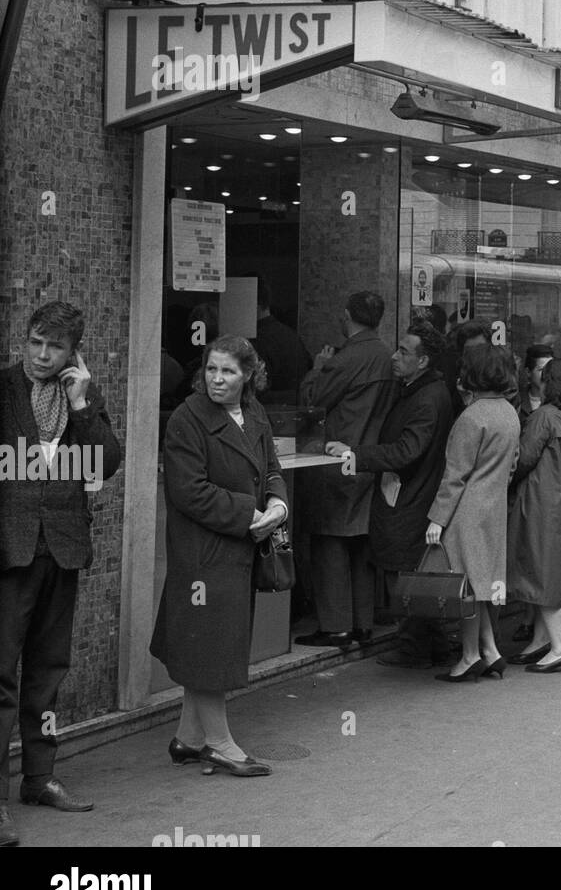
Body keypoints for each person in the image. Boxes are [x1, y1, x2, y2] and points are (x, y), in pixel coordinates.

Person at [0, 302, 122, 843]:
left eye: (55, 347)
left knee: (48, 671)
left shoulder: (83, 398)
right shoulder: (3, 390)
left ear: (73, 352)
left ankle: (40, 778)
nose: (42, 355)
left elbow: (105, 463)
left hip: (63, 549)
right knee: (1, 676)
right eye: (35, 342)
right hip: (8, 552)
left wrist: (80, 407)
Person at [152, 335, 287, 777]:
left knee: (212, 643)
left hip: (236, 547)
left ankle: (188, 738)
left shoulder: (255, 413)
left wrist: (279, 505)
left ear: (248, 374)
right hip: (203, 554)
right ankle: (220, 744)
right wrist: (251, 512)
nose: (217, 379)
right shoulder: (187, 419)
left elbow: (271, 469)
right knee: (210, 648)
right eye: (211, 369)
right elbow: (187, 491)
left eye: (228, 371)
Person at [326, 321, 454, 670]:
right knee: (413, 571)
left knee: (408, 574)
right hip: (411, 493)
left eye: (403, 351)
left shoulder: (426, 397)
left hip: (411, 496)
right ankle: (436, 645)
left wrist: (356, 455)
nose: (394, 357)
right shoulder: (420, 390)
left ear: (423, 361)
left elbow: (405, 451)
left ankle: (414, 647)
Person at [297, 291, 393, 649]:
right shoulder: (387, 356)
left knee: (329, 541)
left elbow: (311, 402)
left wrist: (318, 367)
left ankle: (336, 625)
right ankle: (362, 623)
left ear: (346, 316)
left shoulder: (345, 358)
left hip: (336, 459)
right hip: (370, 459)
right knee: (362, 546)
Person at [425, 345, 521, 682]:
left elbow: (455, 475)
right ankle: (490, 650)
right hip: (494, 507)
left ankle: (469, 656)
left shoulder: (472, 416)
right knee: (481, 585)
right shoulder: (509, 412)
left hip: (466, 510)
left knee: (466, 587)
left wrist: (437, 518)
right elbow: (511, 466)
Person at [507, 360, 561, 672]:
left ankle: (559, 647)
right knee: (550, 570)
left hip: (539, 503)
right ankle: (541, 640)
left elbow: (524, 459)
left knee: (541, 573)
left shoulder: (542, 417)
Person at [251, 279, 311, 404]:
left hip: (269, 414)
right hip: (294, 412)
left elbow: (258, 393)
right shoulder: (291, 336)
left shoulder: (258, 341)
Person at [518, 344, 553, 420]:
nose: (547, 374)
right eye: (541, 370)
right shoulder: (517, 401)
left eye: (550, 369)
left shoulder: (560, 402)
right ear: (528, 372)